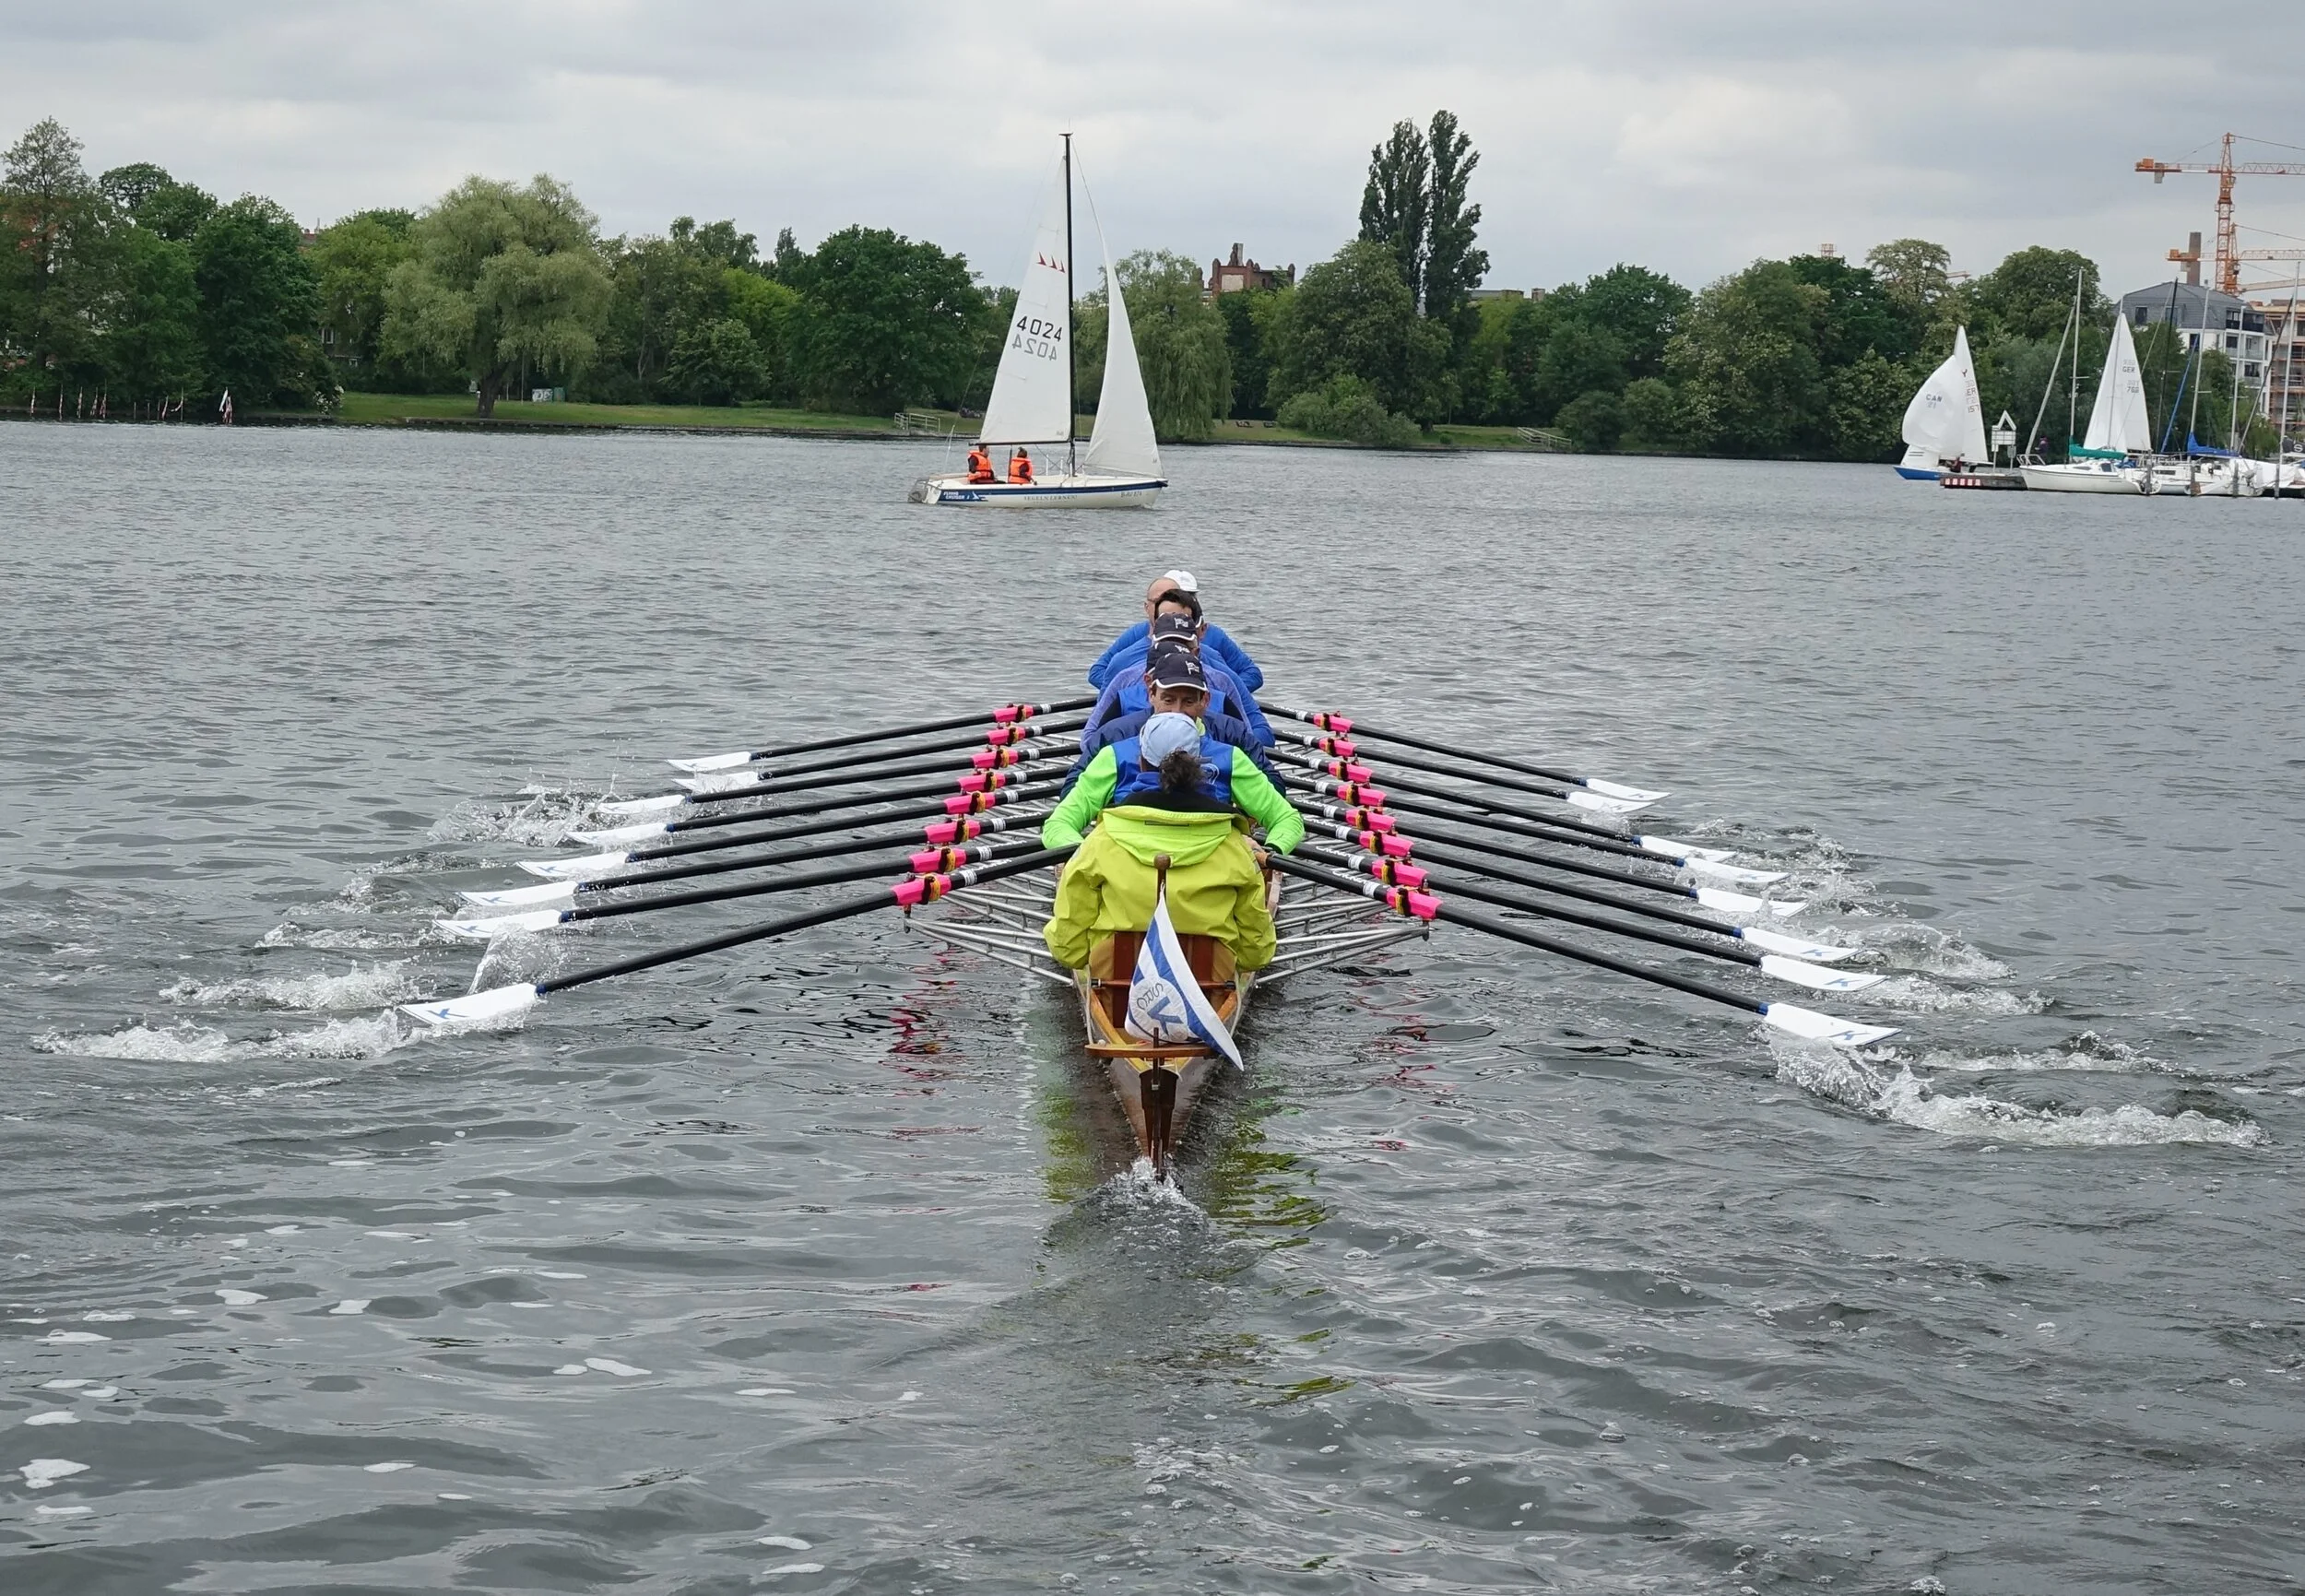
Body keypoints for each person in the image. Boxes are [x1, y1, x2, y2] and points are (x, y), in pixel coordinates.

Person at [1040, 672, 1303, 972]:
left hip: (1114, 974)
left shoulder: (1100, 846)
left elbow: (1067, 951)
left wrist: (1080, 855)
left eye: (1188, 699)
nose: (1178, 706)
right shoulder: (1238, 853)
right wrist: (1266, 854)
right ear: (1199, 764)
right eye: (1170, 698)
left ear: (1140, 761)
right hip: (1210, 975)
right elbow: (1256, 956)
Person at [1086, 571, 1262, 692]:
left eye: (1187, 596)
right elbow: (1097, 672)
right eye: (1164, 600)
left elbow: (1252, 675)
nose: (1174, 608)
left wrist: (1208, 693)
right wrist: (1135, 689)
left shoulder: (1214, 638)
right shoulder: (1136, 636)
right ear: (1148, 607)